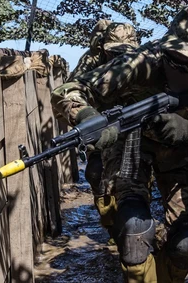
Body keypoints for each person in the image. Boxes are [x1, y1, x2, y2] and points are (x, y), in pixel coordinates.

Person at [51, 6, 188, 282]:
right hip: (132, 143)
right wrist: (89, 118)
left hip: (181, 150)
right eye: (174, 59)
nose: (181, 70)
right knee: (133, 230)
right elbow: (68, 90)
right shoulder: (143, 59)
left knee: (187, 243)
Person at [57, 19, 140, 236]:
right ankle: (109, 220)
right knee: (95, 173)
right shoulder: (92, 60)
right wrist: (86, 115)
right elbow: (72, 89)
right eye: (114, 52)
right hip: (101, 119)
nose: (120, 57)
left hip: (133, 123)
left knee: (132, 180)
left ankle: (128, 227)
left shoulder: (144, 60)